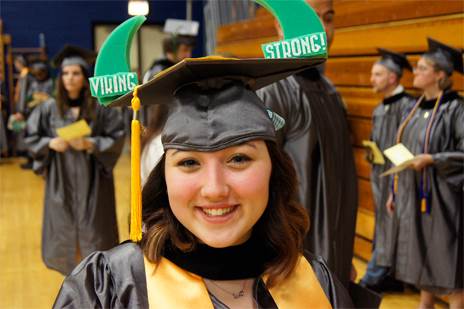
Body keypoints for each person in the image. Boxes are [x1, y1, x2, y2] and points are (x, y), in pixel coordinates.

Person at [53, 56, 356, 308]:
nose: (214, 189)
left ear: (275, 171)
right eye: (189, 162)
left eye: (239, 159)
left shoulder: (316, 280)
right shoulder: (110, 287)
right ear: (164, 178)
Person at [257, 0, 358, 286]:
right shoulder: (273, 89)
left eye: (329, 19)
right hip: (289, 259)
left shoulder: (329, 91)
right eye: (313, 19)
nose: (324, 30)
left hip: (333, 254)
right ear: (279, 27)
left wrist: (343, 256)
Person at [25, 45, 125, 275]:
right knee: (65, 229)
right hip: (61, 180)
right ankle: (74, 281)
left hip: (93, 180)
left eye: (76, 73)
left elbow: (117, 135)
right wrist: (49, 144)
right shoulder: (49, 109)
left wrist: (91, 144)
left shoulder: (101, 107)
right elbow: (30, 137)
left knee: (94, 231)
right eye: (66, 73)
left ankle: (94, 279)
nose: (70, 78)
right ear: (60, 78)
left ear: (84, 77)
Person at [389, 38, 463, 308]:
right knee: (421, 254)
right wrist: (394, 191)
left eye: (422, 68)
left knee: (445, 256)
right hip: (414, 194)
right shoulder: (414, 109)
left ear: (440, 75)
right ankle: (425, 304)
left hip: (444, 199)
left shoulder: (456, 108)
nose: (415, 72)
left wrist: (433, 159)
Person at [360, 48, 415, 292]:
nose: (371, 79)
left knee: (394, 225)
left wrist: (396, 179)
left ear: (392, 78)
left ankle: (374, 276)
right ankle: (390, 276)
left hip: (399, 178)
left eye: (377, 74)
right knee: (383, 225)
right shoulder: (380, 108)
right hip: (379, 179)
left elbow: (407, 145)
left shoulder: (408, 107)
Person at [139, 34, 196, 184]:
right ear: (172, 50)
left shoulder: (154, 69)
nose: (188, 55)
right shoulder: (165, 74)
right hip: (161, 128)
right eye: (184, 50)